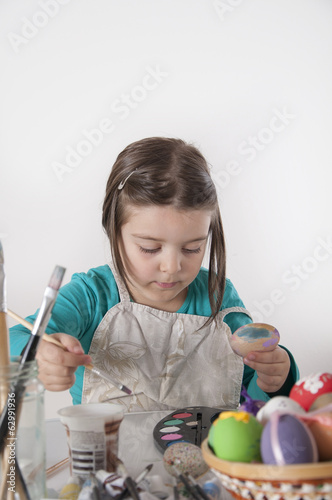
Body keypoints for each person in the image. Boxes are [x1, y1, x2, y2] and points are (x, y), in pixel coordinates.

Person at [10, 137, 298, 412]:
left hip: (207, 461)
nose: (172, 266)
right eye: (150, 248)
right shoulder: (92, 295)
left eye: (192, 248)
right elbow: (16, 338)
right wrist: (40, 354)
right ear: (114, 231)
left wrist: (275, 378)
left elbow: (252, 399)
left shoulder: (219, 299)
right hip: (105, 458)